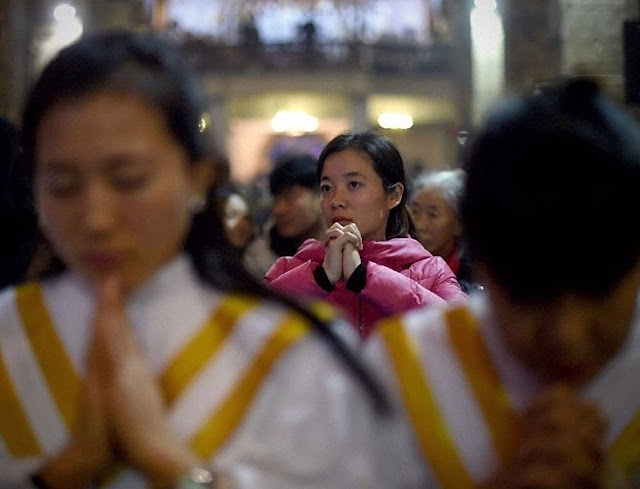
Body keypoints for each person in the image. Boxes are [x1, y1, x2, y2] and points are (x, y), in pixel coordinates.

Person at [0, 30, 395, 489]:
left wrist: (171, 467)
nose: (96, 219)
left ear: (199, 178)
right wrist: (64, 473)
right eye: (63, 185)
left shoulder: (289, 352)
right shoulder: (8, 333)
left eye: (127, 180)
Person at [364, 78, 640, 488]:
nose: (567, 333)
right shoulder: (408, 369)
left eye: (597, 288)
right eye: (530, 292)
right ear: (486, 265)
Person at [265, 131, 467, 339]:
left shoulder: (431, 271)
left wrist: (365, 277)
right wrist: (320, 278)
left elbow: (462, 333)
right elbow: (253, 331)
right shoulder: (290, 268)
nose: (336, 200)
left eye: (354, 184)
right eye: (327, 188)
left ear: (394, 195)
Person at [243, 153, 326, 278]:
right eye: (276, 199)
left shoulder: (348, 247)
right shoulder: (260, 259)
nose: (278, 209)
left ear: (321, 194)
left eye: (289, 196)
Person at [409, 169, 475, 292]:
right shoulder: (400, 263)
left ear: (458, 224)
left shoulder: (475, 276)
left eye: (432, 215)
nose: (419, 225)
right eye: (415, 212)